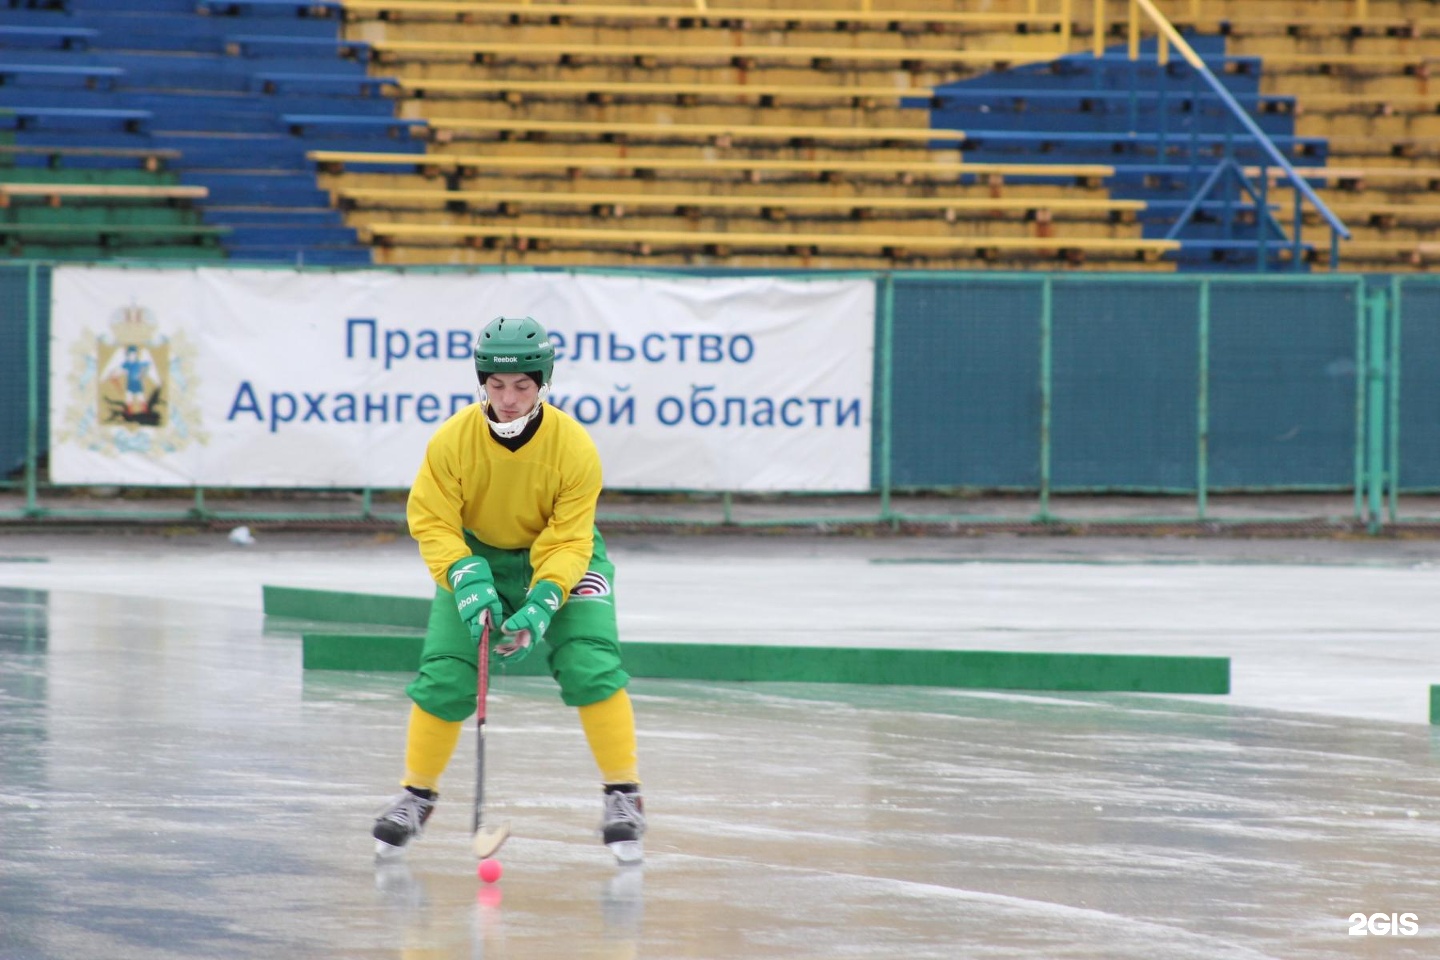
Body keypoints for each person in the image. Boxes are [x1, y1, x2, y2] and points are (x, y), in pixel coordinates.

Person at [372, 315, 644, 863]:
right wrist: (467, 578)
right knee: (447, 671)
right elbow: (432, 521)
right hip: (476, 557)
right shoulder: (452, 441)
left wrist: (545, 600)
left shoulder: (574, 447)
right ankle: (415, 795)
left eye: (523, 385)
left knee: (589, 662)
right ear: (482, 383)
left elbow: (570, 538)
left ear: (543, 383)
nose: (509, 398)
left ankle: (624, 796)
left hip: (565, 554)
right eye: (496, 385)